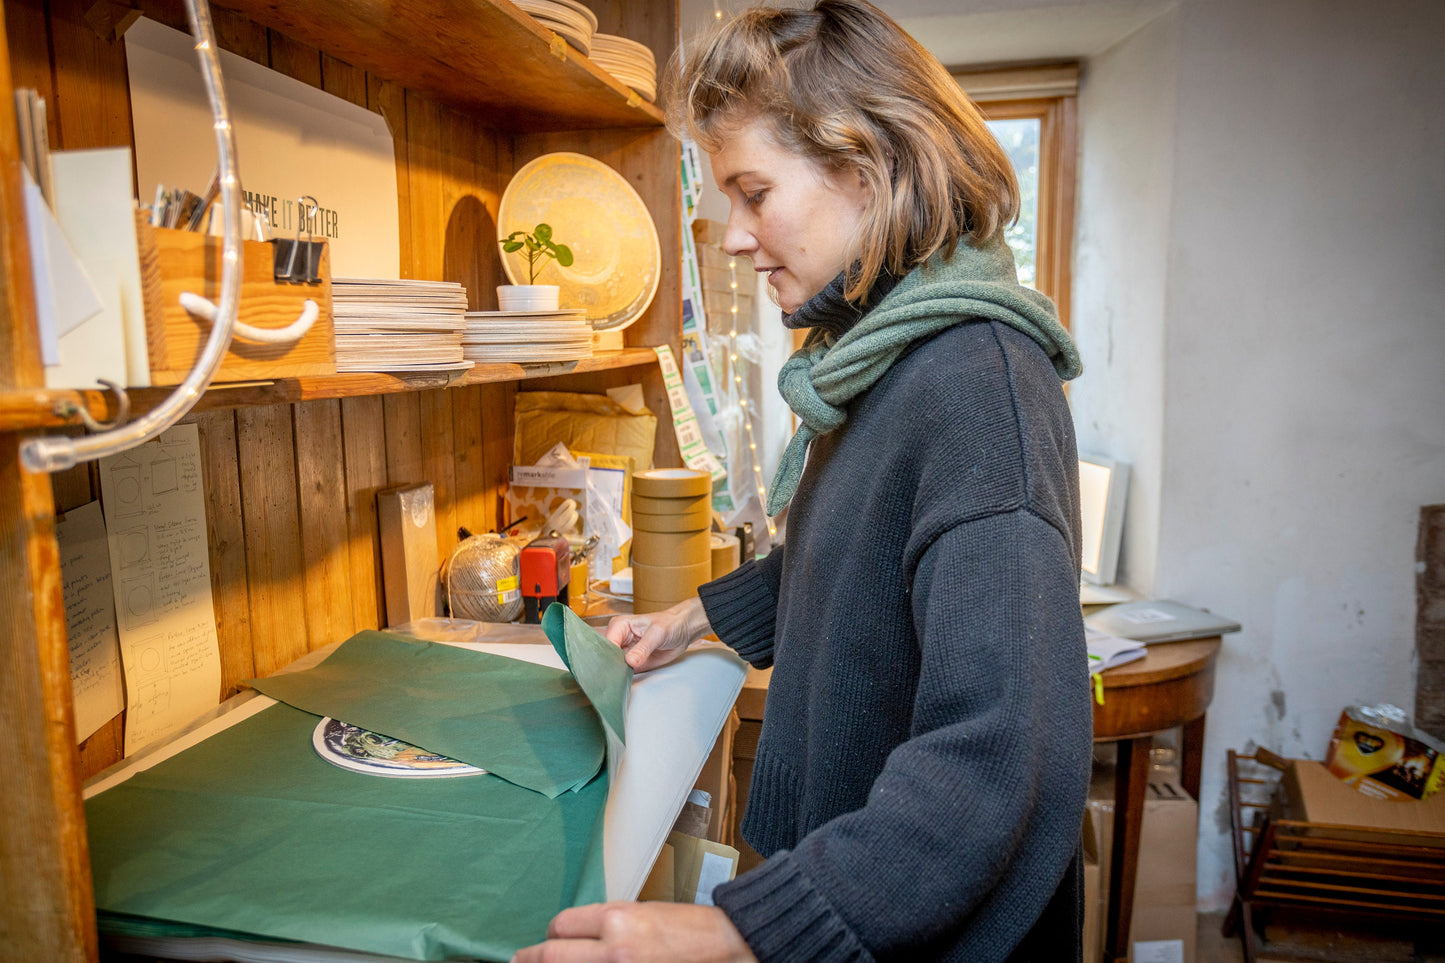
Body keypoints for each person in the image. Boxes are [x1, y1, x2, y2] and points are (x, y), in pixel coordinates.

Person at [513, 2, 1091, 960]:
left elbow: (999, 759)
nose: (733, 235)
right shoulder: (882, 353)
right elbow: (849, 554)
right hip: (850, 872)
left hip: (912, 918)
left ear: (863, 173)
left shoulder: (979, 384)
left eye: (752, 191)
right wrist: (693, 618)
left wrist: (741, 935)